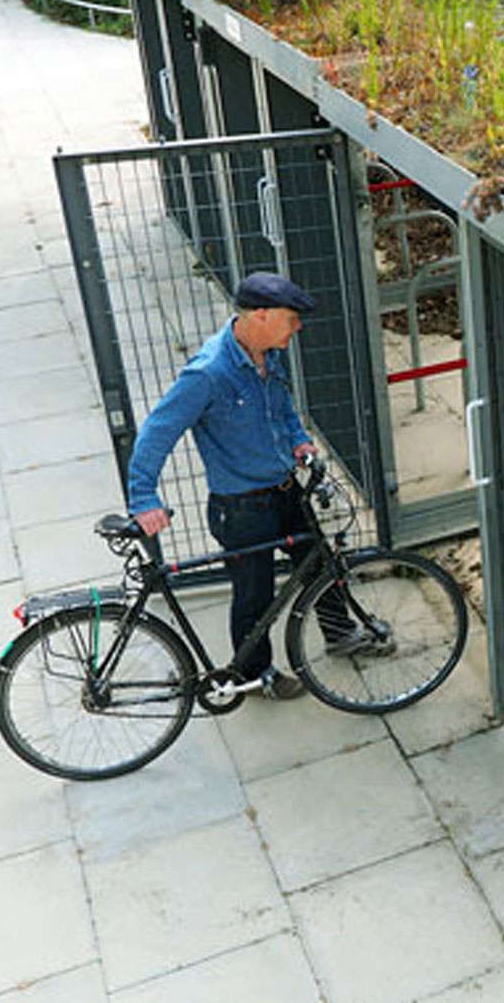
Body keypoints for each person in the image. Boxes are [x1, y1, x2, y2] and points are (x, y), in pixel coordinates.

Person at [127, 271, 368, 700]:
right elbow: (157, 432)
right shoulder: (208, 373)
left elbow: (281, 407)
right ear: (260, 314)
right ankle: (255, 677)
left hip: (285, 491)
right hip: (241, 510)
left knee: (318, 563)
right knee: (254, 597)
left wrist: (297, 439)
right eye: (291, 318)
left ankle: (341, 633)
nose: (298, 327)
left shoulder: (267, 354)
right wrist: (144, 498)